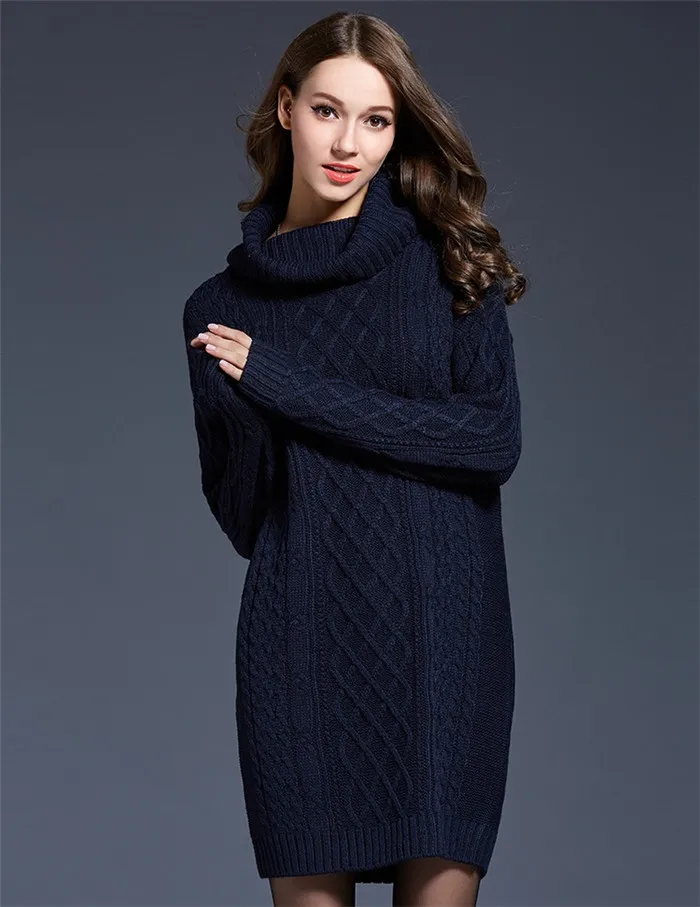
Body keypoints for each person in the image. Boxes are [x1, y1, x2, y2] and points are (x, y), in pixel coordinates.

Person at [183, 11, 527, 907]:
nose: (348, 144)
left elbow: (489, 440)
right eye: (328, 111)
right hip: (298, 637)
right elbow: (247, 517)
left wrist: (283, 384)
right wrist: (240, 409)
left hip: (444, 634)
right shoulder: (220, 308)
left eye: (376, 120)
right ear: (285, 109)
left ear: (397, 131)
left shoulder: (453, 260)